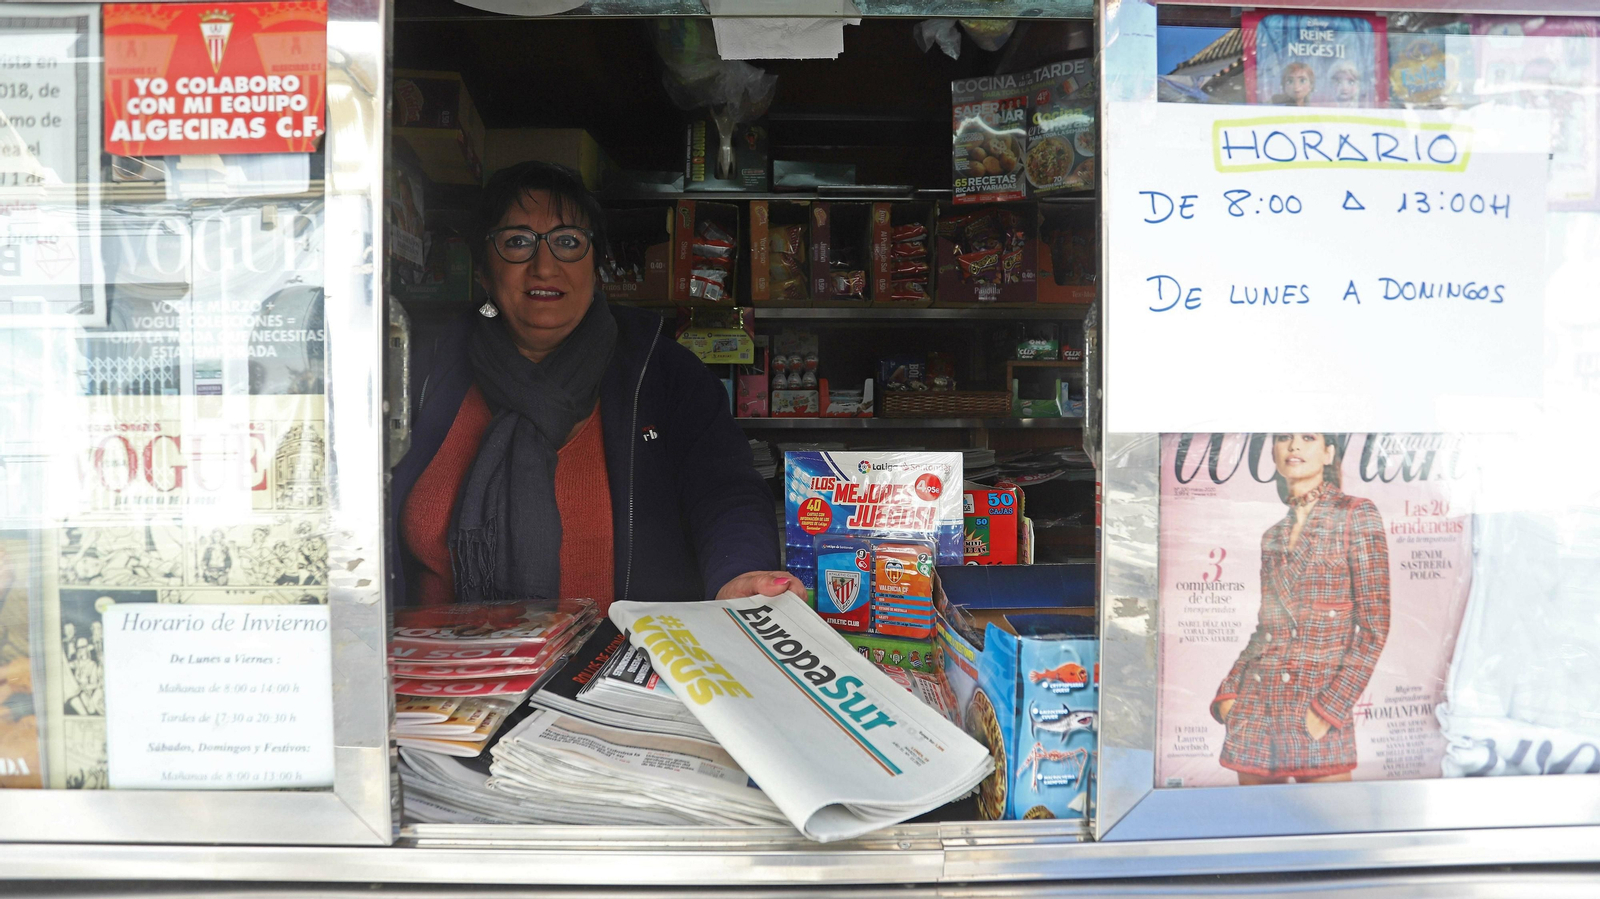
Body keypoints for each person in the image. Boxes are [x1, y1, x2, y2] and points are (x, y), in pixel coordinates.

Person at [389, 162, 800, 612]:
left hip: (625, 670)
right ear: (484, 273)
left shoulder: (664, 373)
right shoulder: (422, 372)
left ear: (596, 268)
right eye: (517, 242)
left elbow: (725, 489)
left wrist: (739, 572)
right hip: (443, 671)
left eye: (568, 242)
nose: (544, 266)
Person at [1210, 433, 1391, 784]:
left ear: (1328, 453)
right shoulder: (1273, 536)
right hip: (1256, 710)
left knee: (1332, 832)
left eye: (1307, 438)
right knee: (1255, 832)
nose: (1294, 446)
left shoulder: (1355, 514)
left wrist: (1330, 710)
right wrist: (1229, 693)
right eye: (1283, 439)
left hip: (1316, 707)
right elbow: (1267, 629)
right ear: (1275, 454)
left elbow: (1374, 628)